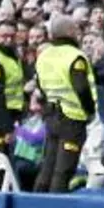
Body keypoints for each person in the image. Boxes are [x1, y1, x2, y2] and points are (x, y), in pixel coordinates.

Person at [33, 17, 96, 193]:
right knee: (63, 169)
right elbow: (82, 88)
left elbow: (40, 85)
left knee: (48, 165)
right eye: (76, 29)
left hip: (51, 115)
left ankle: (37, 205)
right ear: (70, 32)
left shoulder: (44, 55)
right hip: (72, 118)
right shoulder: (75, 56)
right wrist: (90, 111)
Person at [0, 17, 26, 154]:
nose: (8, 40)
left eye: (12, 36)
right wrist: (6, 128)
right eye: (4, 36)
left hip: (7, 115)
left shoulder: (10, 55)